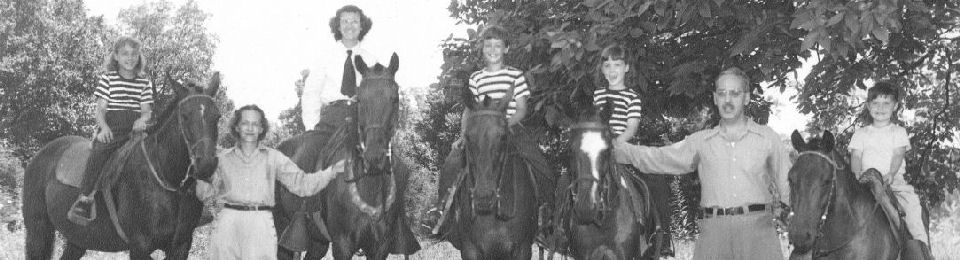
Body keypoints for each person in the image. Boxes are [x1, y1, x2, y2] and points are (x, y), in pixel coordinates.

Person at [613, 67, 791, 259]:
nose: (728, 100)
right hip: (714, 236)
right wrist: (621, 150)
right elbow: (661, 157)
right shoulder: (701, 142)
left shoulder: (768, 138)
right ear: (715, 98)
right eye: (722, 94)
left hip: (758, 234)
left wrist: (793, 216)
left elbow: (790, 184)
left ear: (746, 98)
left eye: (735, 93)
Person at [427, 25, 555, 233]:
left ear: (506, 49)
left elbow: (521, 109)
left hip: (511, 129)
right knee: (452, 161)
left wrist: (503, 125)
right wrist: (462, 136)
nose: (493, 50)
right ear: (482, 48)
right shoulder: (476, 78)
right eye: (488, 45)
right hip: (480, 133)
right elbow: (469, 111)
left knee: (542, 167)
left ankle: (546, 219)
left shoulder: (515, 75)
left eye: (498, 46)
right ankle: (443, 212)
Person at [195, 105, 343, 259]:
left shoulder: (275, 158)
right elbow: (205, 194)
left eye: (256, 124)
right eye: (245, 123)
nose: (250, 128)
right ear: (236, 127)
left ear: (262, 129)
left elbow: (301, 183)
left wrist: (330, 172)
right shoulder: (222, 159)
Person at [591, 44, 673, 256]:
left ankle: (661, 236)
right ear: (602, 70)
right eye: (607, 65)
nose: (612, 70)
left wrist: (616, 142)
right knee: (570, 177)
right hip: (599, 147)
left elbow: (632, 127)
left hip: (623, 145)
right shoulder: (597, 94)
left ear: (627, 68)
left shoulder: (632, 97)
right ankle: (560, 229)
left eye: (617, 65)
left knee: (655, 180)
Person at [68, 36, 154, 226]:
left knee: (156, 154)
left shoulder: (144, 82)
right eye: (125, 54)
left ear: (139, 57)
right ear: (116, 56)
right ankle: (85, 198)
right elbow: (100, 110)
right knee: (98, 152)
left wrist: (142, 119)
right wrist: (104, 127)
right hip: (112, 128)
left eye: (134, 54)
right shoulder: (108, 78)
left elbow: (146, 111)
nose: (129, 58)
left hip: (134, 131)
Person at [848, 81, 927, 247]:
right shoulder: (860, 134)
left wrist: (891, 173)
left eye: (886, 103)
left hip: (893, 183)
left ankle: (921, 249)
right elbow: (856, 156)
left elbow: (898, 154)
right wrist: (855, 174)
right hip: (865, 182)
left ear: (895, 106)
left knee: (912, 210)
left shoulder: (898, 132)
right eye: (875, 103)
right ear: (868, 106)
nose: (881, 108)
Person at [300, 4, 378, 130]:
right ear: (338, 26)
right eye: (345, 21)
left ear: (362, 26)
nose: (350, 26)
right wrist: (312, 129)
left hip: (362, 123)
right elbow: (311, 94)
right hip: (330, 121)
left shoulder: (371, 60)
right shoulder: (324, 58)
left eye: (355, 22)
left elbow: (378, 97)